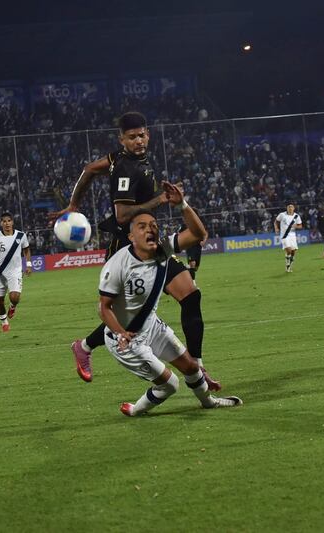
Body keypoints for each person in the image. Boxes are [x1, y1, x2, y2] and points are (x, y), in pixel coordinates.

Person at [49, 111, 220, 390]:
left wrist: (73, 204)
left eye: (141, 135)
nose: (138, 141)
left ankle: (197, 367)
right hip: (128, 246)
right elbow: (121, 215)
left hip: (150, 241)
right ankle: (84, 346)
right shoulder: (126, 168)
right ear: (122, 139)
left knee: (190, 295)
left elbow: (90, 169)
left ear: (148, 134)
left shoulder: (120, 157)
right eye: (131, 137)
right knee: (131, 316)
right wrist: (159, 200)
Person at [98, 204, 242, 416]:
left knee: (192, 367)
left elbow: (198, 234)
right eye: (142, 226)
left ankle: (209, 402)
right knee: (170, 384)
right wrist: (121, 333)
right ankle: (136, 410)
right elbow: (103, 307)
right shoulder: (118, 264)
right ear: (131, 236)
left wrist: (182, 205)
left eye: (154, 225)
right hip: (126, 341)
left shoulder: (163, 250)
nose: (150, 229)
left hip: (152, 326)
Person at [0, 212, 32, 332]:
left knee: (14, 297)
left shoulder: (20, 236)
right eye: (4, 221)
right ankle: (4, 321)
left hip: (15, 271)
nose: (7, 223)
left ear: (12, 222)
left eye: (9, 221)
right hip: (0, 272)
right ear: (1, 223)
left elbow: (26, 250)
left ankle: (13, 306)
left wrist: (28, 264)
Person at [275, 203, 303, 272]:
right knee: (289, 250)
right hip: (284, 235)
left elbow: (300, 226)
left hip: (292, 236)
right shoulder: (282, 215)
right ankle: (287, 264)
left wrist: (295, 226)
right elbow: (276, 221)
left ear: (294, 208)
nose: (290, 208)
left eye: (291, 207)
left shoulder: (296, 216)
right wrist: (276, 228)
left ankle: (289, 266)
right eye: (289, 207)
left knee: (293, 252)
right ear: (287, 208)